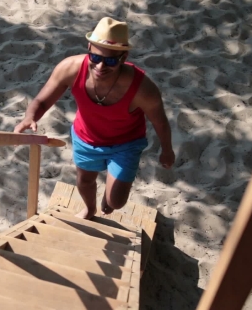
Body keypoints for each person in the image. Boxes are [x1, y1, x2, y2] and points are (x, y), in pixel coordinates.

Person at [14, 17, 175, 220]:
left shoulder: (142, 89)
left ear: (123, 57)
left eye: (110, 61)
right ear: (89, 47)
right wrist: (30, 117)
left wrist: (167, 150)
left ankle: (108, 198)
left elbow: (160, 121)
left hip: (126, 143)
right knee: (85, 181)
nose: (100, 67)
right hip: (86, 138)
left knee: (117, 201)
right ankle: (90, 210)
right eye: (95, 57)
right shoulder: (70, 68)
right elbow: (42, 101)